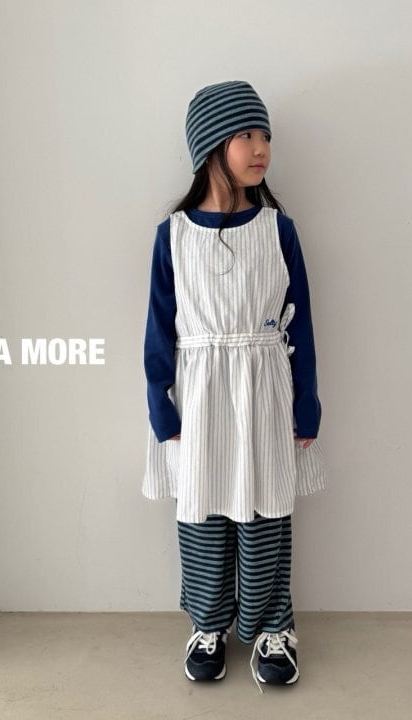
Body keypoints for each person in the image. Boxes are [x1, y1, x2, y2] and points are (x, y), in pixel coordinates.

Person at [142, 80, 327, 692]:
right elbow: (158, 330)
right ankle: (208, 624)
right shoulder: (173, 235)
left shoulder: (278, 230)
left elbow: (301, 322)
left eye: (265, 135)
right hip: (198, 395)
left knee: (266, 507)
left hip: (264, 390)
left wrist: (307, 402)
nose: (261, 147)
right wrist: (160, 406)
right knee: (202, 510)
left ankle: (274, 625)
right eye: (246, 134)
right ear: (210, 145)